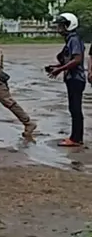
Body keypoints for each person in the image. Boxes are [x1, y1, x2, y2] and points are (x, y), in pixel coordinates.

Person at [49, 13, 85, 146]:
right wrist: (56, 67)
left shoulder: (74, 40)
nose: (59, 29)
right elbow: (69, 61)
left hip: (76, 78)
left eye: (61, 26)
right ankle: (76, 137)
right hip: (72, 78)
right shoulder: (71, 40)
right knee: (74, 108)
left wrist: (59, 69)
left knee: (75, 108)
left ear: (69, 25)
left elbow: (77, 60)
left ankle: (75, 139)